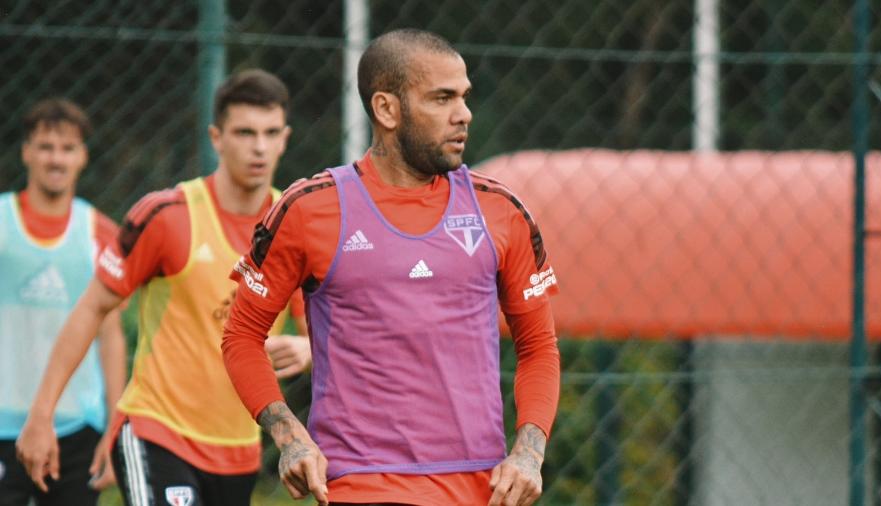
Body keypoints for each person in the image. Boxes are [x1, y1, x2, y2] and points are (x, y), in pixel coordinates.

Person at [222, 29, 561, 506]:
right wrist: (289, 435)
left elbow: (539, 346)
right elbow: (240, 338)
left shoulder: (501, 210)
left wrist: (529, 452)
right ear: (386, 109)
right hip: (358, 485)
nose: (463, 114)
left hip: (480, 488)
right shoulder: (308, 209)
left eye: (463, 97)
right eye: (441, 98)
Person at [16, 69, 312, 506]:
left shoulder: (294, 226)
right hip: (157, 432)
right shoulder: (168, 215)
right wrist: (41, 415)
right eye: (245, 132)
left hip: (238, 449)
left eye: (271, 133)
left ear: (285, 137)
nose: (260, 147)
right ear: (217, 137)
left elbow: (324, 338)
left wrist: (307, 351)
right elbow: (93, 308)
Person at [2, 98, 126, 505]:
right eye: (45, 146)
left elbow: (110, 336)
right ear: (26, 152)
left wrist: (115, 426)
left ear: (83, 157)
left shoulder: (101, 233)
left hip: (75, 428)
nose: (56, 159)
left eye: (67, 148)